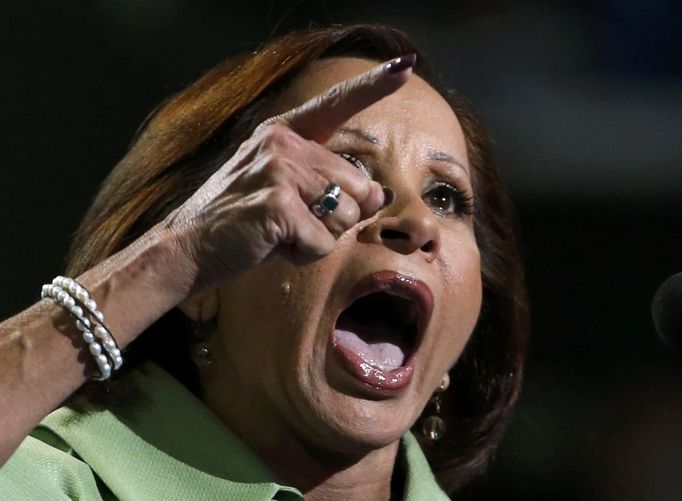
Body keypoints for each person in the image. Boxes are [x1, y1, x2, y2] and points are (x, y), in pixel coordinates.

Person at [0, 24, 528, 499]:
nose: (416, 220)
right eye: (343, 168)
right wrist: (170, 260)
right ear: (204, 285)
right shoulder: (50, 482)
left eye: (445, 198)